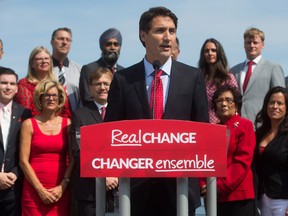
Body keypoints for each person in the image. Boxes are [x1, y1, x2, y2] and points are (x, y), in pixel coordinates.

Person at [104, 6, 209, 216]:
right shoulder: (124, 79)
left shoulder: (193, 76)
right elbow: (111, 131)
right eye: (160, 30)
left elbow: (202, 130)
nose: (168, 37)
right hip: (136, 186)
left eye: (172, 31)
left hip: (180, 185)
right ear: (143, 35)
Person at [19, 80, 74, 216]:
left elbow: (73, 160)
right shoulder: (28, 124)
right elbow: (23, 161)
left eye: (54, 95)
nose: (51, 99)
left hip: (60, 190)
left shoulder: (68, 124)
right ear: (40, 98)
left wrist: (63, 186)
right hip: (33, 190)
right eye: (46, 95)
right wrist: (40, 189)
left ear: (60, 98)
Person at [201, 85, 256, 215]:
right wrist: (203, 185)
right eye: (219, 101)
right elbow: (203, 161)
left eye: (228, 100)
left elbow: (242, 161)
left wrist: (219, 187)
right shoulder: (211, 130)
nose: (224, 104)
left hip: (238, 196)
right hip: (213, 196)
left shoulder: (245, 125)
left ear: (236, 105)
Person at [71, 67, 117, 215]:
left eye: (106, 83)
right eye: (97, 84)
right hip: (89, 192)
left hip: (119, 189)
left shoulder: (123, 112)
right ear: (90, 88)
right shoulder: (80, 115)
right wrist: (103, 176)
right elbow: (79, 151)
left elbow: (130, 149)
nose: (102, 87)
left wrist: (115, 175)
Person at [230, 27, 285, 124]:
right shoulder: (234, 71)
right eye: (248, 42)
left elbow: (281, 98)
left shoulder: (273, 68)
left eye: (255, 42)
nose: (251, 45)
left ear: (262, 45)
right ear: (244, 45)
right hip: (238, 124)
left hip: (262, 124)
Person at [0, 67, 31, 216]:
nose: (8, 87)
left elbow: (28, 149)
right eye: (4, 83)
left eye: (12, 84)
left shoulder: (25, 113)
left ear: (17, 88)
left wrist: (15, 173)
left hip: (13, 185)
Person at [254, 86, 288, 216]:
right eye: (271, 102)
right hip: (262, 197)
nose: (275, 106)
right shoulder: (259, 133)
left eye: (280, 103)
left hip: (283, 199)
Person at [14, 46, 71, 118]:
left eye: (46, 58)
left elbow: (65, 111)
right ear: (32, 63)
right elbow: (25, 113)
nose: (44, 61)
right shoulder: (24, 84)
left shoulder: (57, 85)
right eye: (39, 59)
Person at [79, 28, 124, 105]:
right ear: (101, 47)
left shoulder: (124, 73)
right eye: (108, 44)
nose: (112, 48)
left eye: (116, 44)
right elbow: (87, 99)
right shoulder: (89, 69)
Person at [198, 38, 238, 124]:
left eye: (213, 50)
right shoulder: (198, 78)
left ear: (219, 53)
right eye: (207, 51)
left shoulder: (228, 78)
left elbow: (236, 101)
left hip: (223, 124)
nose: (210, 53)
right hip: (202, 124)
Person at [51, 27, 82, 111]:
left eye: (68, 40)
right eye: (60, 39)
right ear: (52, 42)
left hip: (75, 119)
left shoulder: (80, 70)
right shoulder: (43, 69)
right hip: (48, 121)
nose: (64, 42)